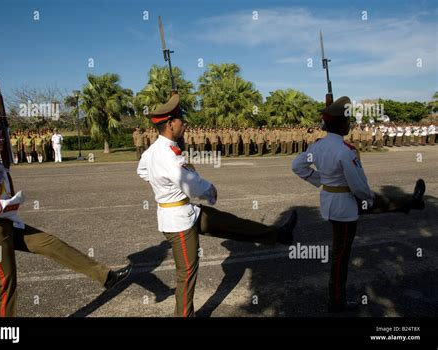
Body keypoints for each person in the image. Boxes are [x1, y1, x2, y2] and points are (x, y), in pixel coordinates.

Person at [137, 94, 297, 317]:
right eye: (181, 120)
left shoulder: (153, 151)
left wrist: (162, 184)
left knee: (231, 224)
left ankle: (278, 234)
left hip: (185, 211)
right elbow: (191, 185)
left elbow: (142, 171)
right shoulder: (166, 154)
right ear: (171, 124)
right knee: (186, 273)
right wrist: (209, 190)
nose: (185, 124)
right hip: (177, 221)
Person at [0, 109, 131, 317]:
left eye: (1, 131)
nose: (1, 136)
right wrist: (12, 203)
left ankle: (106, 277)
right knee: (6, 284)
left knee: (51, 244)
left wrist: (10, 206)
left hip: (9, 224)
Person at [292, 97, 426, 313]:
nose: (350, 125)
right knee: (340, 256)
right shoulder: (345, 151)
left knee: (380, 204)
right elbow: (359, 187)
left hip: (332, 201)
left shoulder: (317, 147)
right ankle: (336, 302)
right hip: (345, 206)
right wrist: (367, 198)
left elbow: (297, 165)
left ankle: (412, 202)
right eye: (347, 121)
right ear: (341, 125)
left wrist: (321, 181)